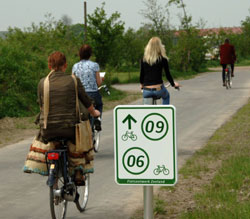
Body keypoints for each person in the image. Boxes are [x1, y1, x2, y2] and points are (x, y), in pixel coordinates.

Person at [37, 51, 100, 182]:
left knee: (51, 141)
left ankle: (51, 175)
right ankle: (78, 170)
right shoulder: (73, 80)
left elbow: (41, 106)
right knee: (77, 140)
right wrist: (95, 113)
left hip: (48, 129)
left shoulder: (43, 83)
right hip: (69, 129)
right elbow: (86, 101)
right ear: (65, 65)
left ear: (49, 66)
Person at [140, 37, 179, 104]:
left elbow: (142, 75)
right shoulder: (163, 59)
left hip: (147, 90)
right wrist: (173, 84)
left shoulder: (143, 59)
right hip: (159, 90)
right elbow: (168, 74)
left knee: (146, 110)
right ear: (160, 47)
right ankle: (165, 113)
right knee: (166, 96)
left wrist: (142, 85)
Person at [72, 44, 103, 131]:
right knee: (99, 104)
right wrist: (101, 79)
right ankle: (97, 118)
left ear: (80, 54)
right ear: (90, 54)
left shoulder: (75, 66)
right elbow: (99, 83)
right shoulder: (95, 65)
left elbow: (73, 81)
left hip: (80, 94)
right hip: (93, 93)